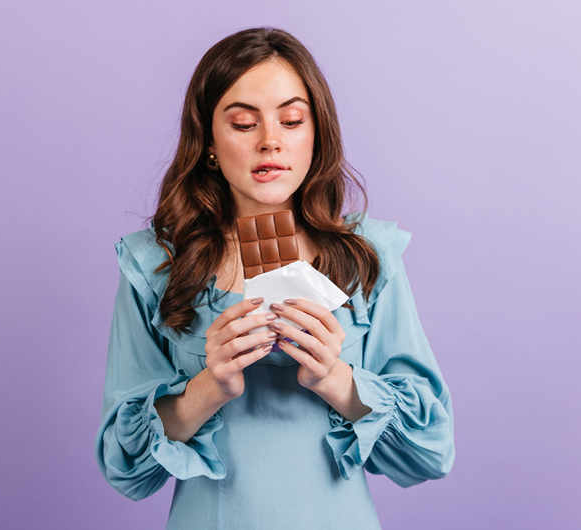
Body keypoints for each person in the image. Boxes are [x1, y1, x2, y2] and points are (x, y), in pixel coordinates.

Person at [95, 27, 454, 530]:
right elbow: (125, 469)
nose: (270, 141)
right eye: (243, 124)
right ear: (211, 143)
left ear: (316, 134)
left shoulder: (368, 257)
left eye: (291, 120)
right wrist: (209, 385)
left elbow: (431, 452)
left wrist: (334, 379)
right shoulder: (155, 264)